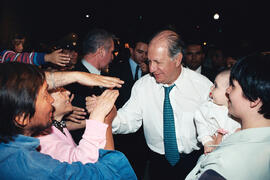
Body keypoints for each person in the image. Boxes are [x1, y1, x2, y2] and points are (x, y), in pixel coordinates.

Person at [0, 62, 136, 179]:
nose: (51, 100)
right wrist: (101, 119)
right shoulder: (36, 169)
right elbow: (107, 174)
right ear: (22, 118)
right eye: (45, 95)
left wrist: (77, 76)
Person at [111, 29, 213, 180]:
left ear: (177, 59)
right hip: (157, 163)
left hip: (195, 162)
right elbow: (128, 120)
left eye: (158, 62)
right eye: (149, 61)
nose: (151, 69)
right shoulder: (143, 86)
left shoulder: (203, 86)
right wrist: (107, 116)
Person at [186, 52, 270, 180]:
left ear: (254, 99)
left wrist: (212, 153)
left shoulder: (222, 166)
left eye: (233, 86)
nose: (228, 91)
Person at [38, 87, 116, 164]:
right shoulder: (43, 136)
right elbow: (82, 162)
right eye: (61, 91)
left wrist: (99, 116)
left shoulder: (57, 125)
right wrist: (101, 115)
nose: (68, 92)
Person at [64, 28, 116, 144]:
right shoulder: (69, 79)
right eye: (111, 52)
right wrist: (64, 114)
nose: (112, 57)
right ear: (102, 51)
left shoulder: (108, 77)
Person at [108, 37, 149, 179]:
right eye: (140, 52)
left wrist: (147, 74)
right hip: (121, 128)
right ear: (131, 50)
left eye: (146, 53)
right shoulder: (116, 67)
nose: (143, 56)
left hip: (142, 133)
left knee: (140, 169)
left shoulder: (151, 71)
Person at [194, 69, 241, 154]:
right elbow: (201, 125)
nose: (211, 87)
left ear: (229, 91)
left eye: (215, 86)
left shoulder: (239, 110)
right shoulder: (207, 107)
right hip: (214, 148)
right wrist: (207, 141)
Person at [0, 48, 71, 67]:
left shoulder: (5, 56)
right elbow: (17, 59)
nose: (21, 47)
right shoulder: (5, 56)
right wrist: (47, 57)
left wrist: (47, 57)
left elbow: (18, 58)